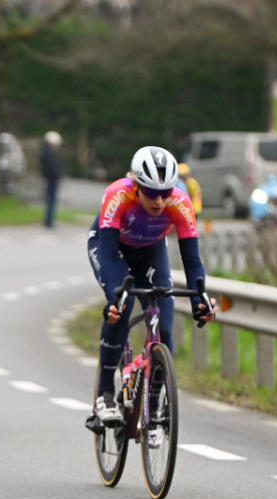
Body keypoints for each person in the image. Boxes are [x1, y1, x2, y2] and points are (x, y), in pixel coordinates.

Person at [86, 146, 217, 430]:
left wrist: (200, 302)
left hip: (150, 251)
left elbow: (192, 261)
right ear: (136, 186)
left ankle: (155, 403)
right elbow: (107, 255)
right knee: (122, 307)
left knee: (165, 326)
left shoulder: (180, 203)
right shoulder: (118, 194)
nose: (159, 201)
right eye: (151, 193)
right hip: (112, 247)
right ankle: (105, 394)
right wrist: (113, 298)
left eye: (166, 192)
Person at [40, 130, 62, 228]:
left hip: (50, 179)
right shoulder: (49, 153)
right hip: (52, 179)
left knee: (50, 200)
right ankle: (49, 221)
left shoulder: (46, 152)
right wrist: (57, 175)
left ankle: (48, 220)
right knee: (51, 201)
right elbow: (53, 168)